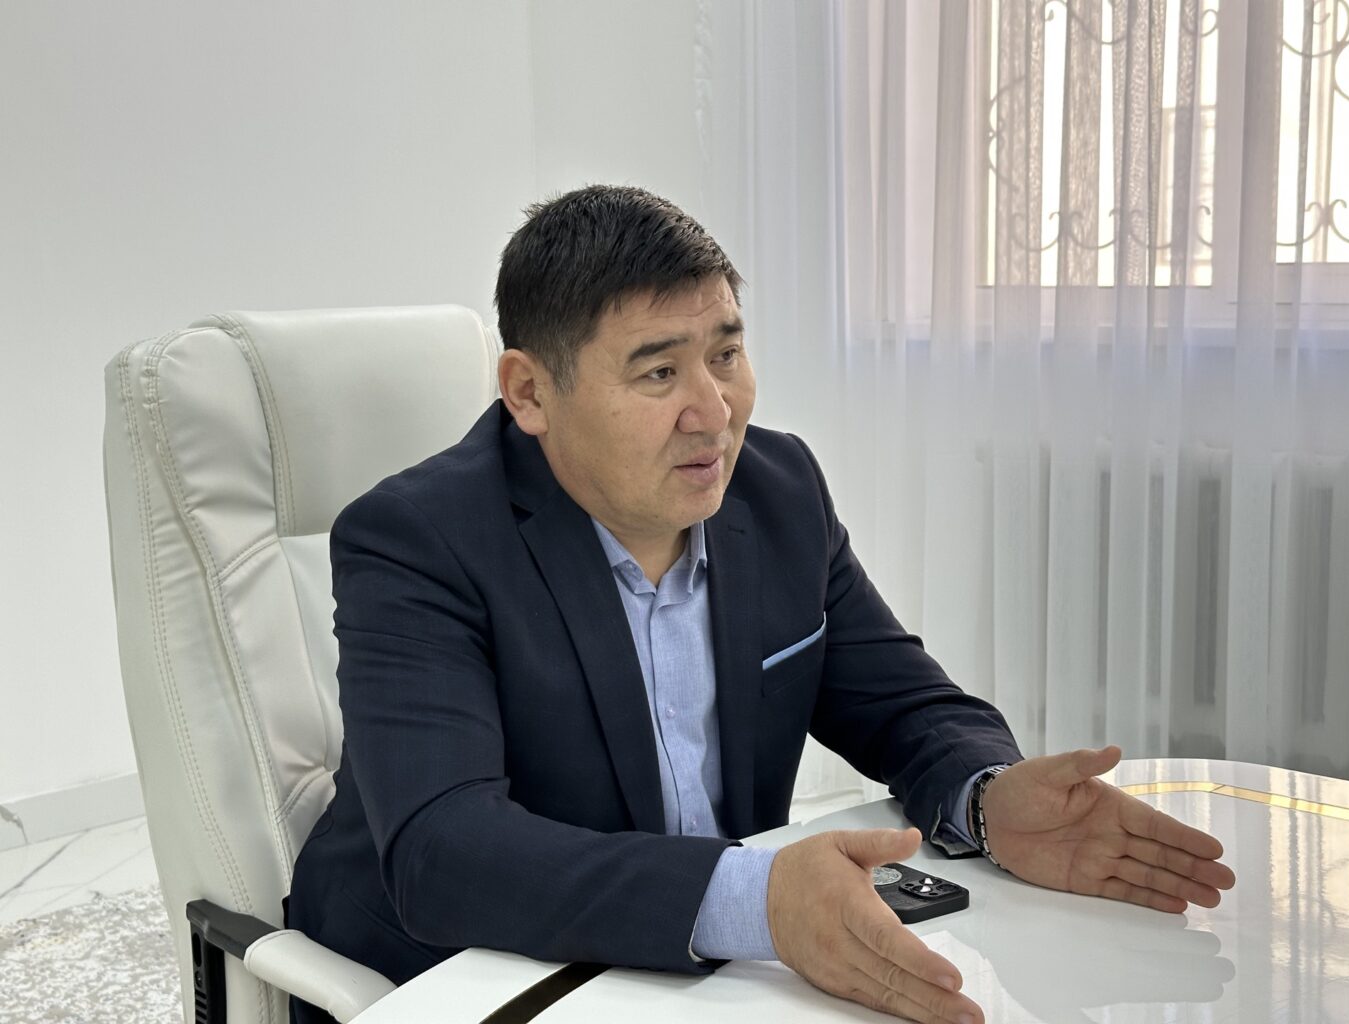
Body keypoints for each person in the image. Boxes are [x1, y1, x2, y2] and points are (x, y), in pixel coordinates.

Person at [286, 185, 1236, 1024]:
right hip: (469, 978)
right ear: (529, 392)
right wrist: (752, 899)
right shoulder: (415, 540)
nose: (715, 411)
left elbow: (900, 703)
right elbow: (445, 853)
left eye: (727, 354)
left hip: (696, 977)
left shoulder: (777, 490)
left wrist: (986, 801)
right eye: (658, 372)